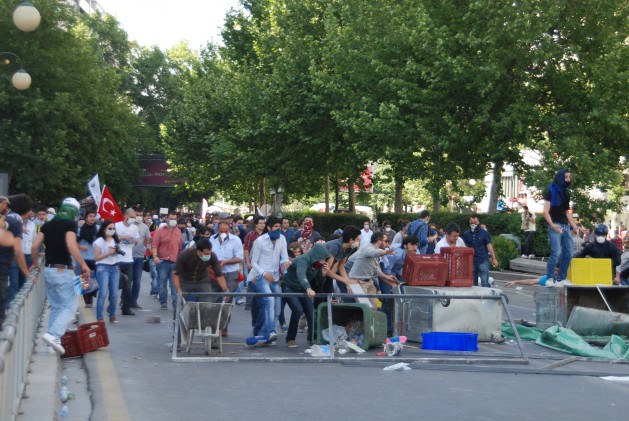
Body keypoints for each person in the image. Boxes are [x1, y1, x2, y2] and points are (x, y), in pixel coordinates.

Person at [31, 198, 90, 355]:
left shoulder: (47, 225)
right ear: (75, 212)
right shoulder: (70, 224)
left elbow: (35, 245)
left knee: (57, 307)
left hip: (48, 269)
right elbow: (71, 245)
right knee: (70, 306)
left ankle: (51, 345)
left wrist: (35, 262)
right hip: (62, 270)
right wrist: (83, 264)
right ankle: (54, 335)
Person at [245, 217, 290, 346]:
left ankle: (260, 332)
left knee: (277, 308)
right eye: (275, 226)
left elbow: (285, 257)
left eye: (279, 226)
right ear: (269, 228)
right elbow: (253, 262)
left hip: (275, 278)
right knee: (269, 300)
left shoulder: (282, 239)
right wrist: (264, 273)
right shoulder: (259, 241)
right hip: (259, 276)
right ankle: (271, 331)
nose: (278, 229)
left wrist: (287, 263)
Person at [282, 243, 331, 348]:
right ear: (317, 255)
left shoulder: (316, 265)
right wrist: (308, 288)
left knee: (311, 312)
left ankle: (313, 337)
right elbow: (301, 274)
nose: (323, 261)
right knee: (297, 310)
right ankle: (290, 338)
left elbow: (319, 283)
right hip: (290, 287)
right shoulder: (303, 259)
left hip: (302, 289)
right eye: (322, 258)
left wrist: (323, 273)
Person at [542, 169, 581, 286]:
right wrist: (552, 225)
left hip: (565, 226)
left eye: (569, 177)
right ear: (560, 178)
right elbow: (545, 211)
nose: (568, 180)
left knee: (568, 253)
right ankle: (550, 278)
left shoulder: (566, 193)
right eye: (566, 177)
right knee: (556, 252)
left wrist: (574, 226)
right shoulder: (550, 191)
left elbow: (567, 213)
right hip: (555, 225)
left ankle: (562, 278)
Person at [209, 221, 243, 336]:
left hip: (230, 273)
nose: (223, 233)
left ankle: (223, 327)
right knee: (214, 299)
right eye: (221, 231)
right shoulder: (212, 239)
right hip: (215, 273)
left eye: (226, 231)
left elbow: (239, 258)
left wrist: (226, 262)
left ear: (229, 230)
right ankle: (214, 326)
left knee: (226, 300)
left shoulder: (236, 240)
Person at [347, 231, 397, 309]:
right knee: (365, 308)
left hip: (369, 282)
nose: (388, 243)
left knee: (374, 308)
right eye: (385, 241)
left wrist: (387, 277)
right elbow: (373, 252)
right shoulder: (368, 248)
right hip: (357, 281)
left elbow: (375, 270)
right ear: (379, 241)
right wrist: (386, 252)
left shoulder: (377, 253)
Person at [6, 194, 34, 305]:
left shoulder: (8, 217)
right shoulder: (16, 221)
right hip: (10, 257)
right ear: (26, 210)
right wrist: (27, 273)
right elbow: (18, 251)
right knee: (14, 287)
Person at [152, 211, 183, 309]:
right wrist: (155, 256)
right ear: (167, 219)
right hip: (162, 261)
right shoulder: (160, 231)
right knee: (162, 284)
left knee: (174, 285)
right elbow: (154, 245)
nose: (173, 220)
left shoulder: (178, 232)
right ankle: (163, 302)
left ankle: (175, 303)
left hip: (175, 262)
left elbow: (180, 248)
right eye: (171, 218)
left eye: (175, 219)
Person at [93, 220, 121, 323]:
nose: (112, 230)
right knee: (103, 293)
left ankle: (112, 314)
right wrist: (108, 252)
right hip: (102, 267)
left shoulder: (115, 240)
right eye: (110, 228)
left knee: (114, 293)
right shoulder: (99, 241)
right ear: (104, 229)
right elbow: (96, 257)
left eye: (113, 228)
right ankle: (99, 316)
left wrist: (116, 251)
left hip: (115, 267)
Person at [115, 208, 140, 315]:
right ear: (126, 216)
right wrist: (122, 237)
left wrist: (133, 240)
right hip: (117, 259)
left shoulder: (134, 227)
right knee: (115, 284)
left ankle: (126, 307)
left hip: (129, 259)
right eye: (131, 217)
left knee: (128, 286)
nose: (133, 219)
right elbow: (111, 237)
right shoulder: (117, 226)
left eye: (134, 217)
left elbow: (137, 240)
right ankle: (111, 305)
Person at [462, 216, 498, 288]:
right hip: (472, 260)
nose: (473, 223)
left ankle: (487, 294)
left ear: (478, 222)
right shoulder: (466, 233)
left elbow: (489, 245)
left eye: (475, 222)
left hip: (483, 259)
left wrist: (493, 258)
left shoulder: (484, 233)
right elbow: (463, 246)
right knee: (473, 284)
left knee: (484, 283)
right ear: (469, 222)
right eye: (471, 222)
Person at [76, 209, 99, 308]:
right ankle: (87, 300)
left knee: (94, 279)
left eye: (94, 216)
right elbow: (74, 243)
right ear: (86, 218)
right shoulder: (80, 230)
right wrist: (81, 247)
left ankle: (91, 294)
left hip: (95, 258)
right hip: (83, 259)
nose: (92, 218)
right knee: (84, 281)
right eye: (90, 216)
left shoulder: (98, 229)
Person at [132, 212, 151, 308]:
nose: (139, 217)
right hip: (128, 257)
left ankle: (133, 301)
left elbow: (148, 239)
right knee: (127, 281)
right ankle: (124, 299)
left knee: (137, 281)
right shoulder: (130, 225)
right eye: (137, 215)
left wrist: (146, 245)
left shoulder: (145, 227)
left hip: (139, 257)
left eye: (141, 215)